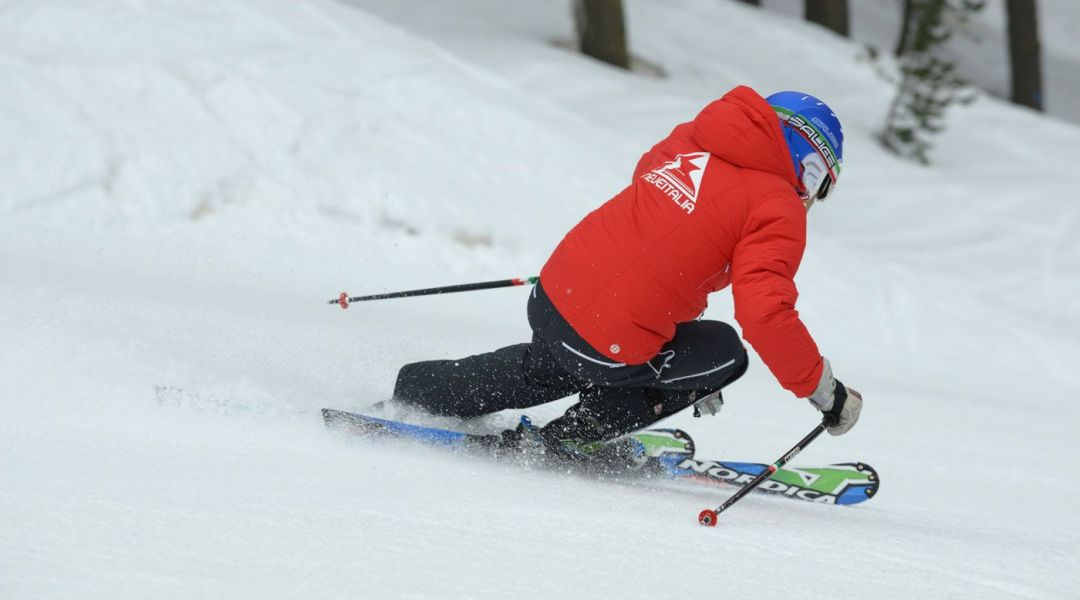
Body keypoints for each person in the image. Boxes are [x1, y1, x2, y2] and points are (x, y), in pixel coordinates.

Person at [391, 85, 862, 457]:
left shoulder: (696, 139)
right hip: (605, 338)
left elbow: (662, 218)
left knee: (551, 365)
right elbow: (765, 315)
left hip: (555, 290)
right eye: (818, 182)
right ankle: (571, 437)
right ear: (806, 160)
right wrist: (825, 393)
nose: (811, 198)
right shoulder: (777, 206)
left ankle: (421, 389)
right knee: (724, 352)